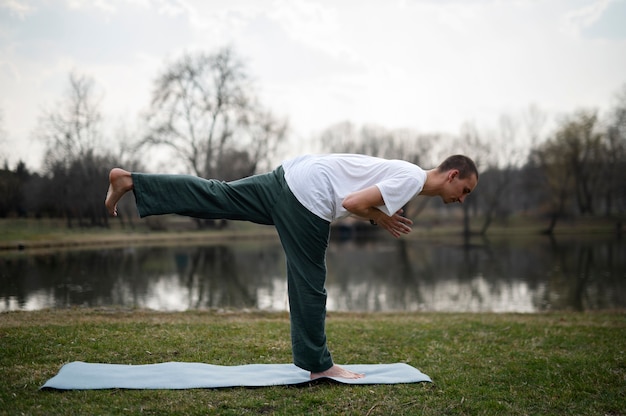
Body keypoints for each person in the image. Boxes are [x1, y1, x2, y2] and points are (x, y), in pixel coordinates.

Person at [105, 153, 478, 380]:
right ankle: (319, 365)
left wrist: (377, 215)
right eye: (465, 191)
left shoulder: (406, 171)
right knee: (309, 282)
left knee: (217, 194)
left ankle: (132, 181)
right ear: (452, 176)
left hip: (291, 175)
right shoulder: (412, 179)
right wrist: (381, 219)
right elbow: (352, 201)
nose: (461, 200)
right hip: (310, 195)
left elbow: (355, 194)